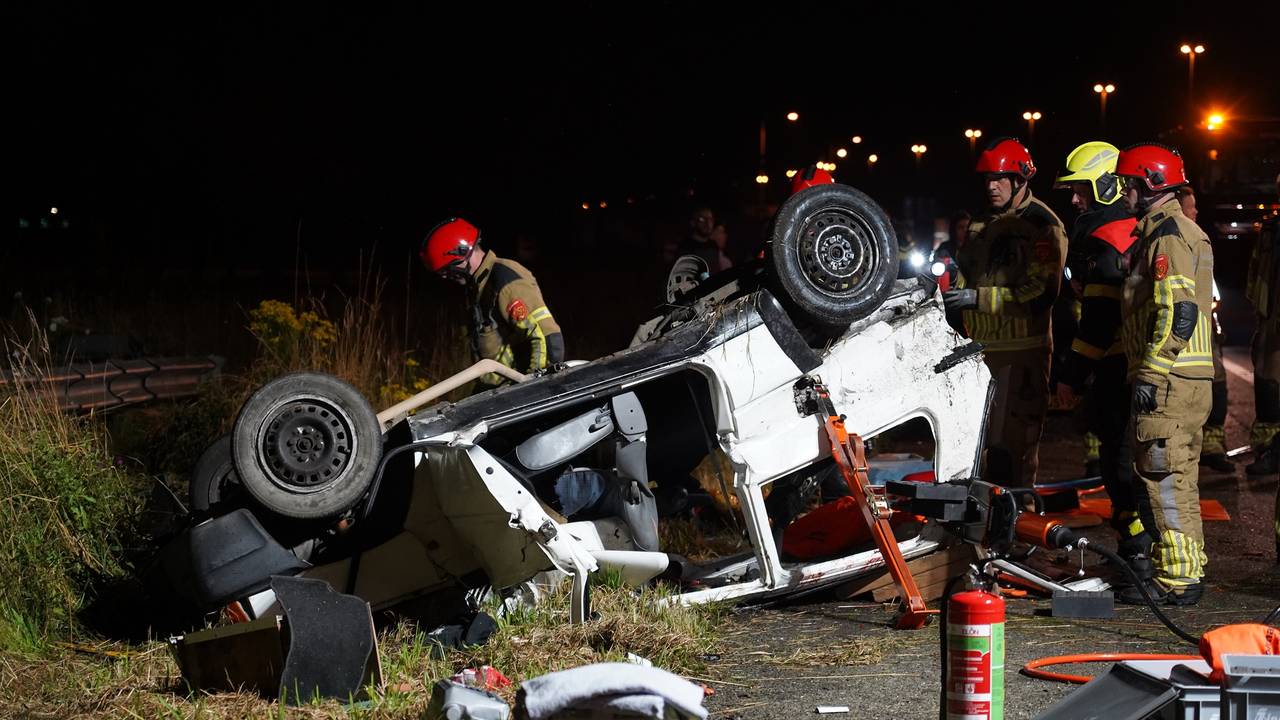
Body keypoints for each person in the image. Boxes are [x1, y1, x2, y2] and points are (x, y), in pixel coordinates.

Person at [1114, 143, 1214, 605]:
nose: (1124, 191)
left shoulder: (1168, 234)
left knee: (1163, 478)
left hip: (1171, 380)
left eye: (1129, 183)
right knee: (1178, 478)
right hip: (1186, 380)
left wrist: (1150, 375)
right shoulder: (1166, 231)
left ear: (1150, 183)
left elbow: (1180, 311)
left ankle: (1177, 580)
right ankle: (1183, 572)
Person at [943, 137, 1068, 487]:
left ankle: (1016, 526)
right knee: (979, 448)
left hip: (1022, 355)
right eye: (987, 179)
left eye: (999, 179)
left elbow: (1042, 293)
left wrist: (977, 299)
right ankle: (985, 529)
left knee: (1014, 450)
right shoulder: (983, 222)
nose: (991, 186)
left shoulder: (1043, 225)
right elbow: (966, 272)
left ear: (1020, 179)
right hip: (982, 354)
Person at [1051, 141, 1150, 562]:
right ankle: (1140, 547)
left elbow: (1097, 322)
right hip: (1132, 365)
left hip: (1120, 366)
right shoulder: (1122, 231)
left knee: (1121, 461)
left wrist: (1070, 377)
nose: (1075, 200)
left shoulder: (1109, 240)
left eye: (1083, 190)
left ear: (1108, 186)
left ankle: (1138, 551)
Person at [420, 217, 564, 386]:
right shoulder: (479, 287)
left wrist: (534, 388)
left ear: (462, 253)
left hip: (521, 384)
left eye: (447, 270)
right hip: (500, 387)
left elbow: (546, 335)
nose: (446, 277)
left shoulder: (504, 279)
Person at [1175, 186, 1233, 473]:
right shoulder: (1174, 241)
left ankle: (1213, 446)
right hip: (1182, 334)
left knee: (1216, 385)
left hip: (1204, 333)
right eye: (1191, 206)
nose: (1196, 211)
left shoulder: (1198, 240)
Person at [1245, 174, 1280, 478]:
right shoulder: (1271, 229)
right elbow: (1258, 272)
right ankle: (1269, 450)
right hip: (1272, 319)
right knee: (1268, 385)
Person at [675, 207, 726, 274]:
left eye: (711, 219)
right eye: (702, 219)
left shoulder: (713, 244)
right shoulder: (685, 247)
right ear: (693, 222)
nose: (708, 223)